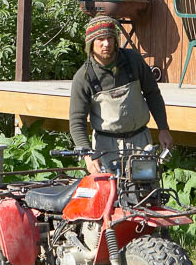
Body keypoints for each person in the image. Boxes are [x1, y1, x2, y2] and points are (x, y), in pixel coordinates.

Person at [69, 16, 173, 174]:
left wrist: (163, 128)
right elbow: (77, 121)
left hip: (140, 142)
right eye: (101, 39)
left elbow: (153, 94)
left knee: (146, 193)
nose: (107, 44)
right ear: (91, 43)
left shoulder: (133, 60)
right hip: (105, 147)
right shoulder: (83, 77)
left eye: (110, 38)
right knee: (110, 195)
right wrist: (88, 154)